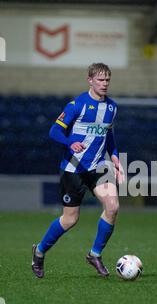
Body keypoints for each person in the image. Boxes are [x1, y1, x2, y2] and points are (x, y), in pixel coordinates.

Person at [32, 62, 124, 279]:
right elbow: (54, 130)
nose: (104, 84)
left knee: (112, 206)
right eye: (100, 80)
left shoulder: (111, 107)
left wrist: (115, 157)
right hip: (73, 169)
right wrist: (69, 143)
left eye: (107, 80)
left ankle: (95, 254)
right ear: (90, 80)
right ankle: (39, 251)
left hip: (98, 167)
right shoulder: (77, 105)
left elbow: (108, 136)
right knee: (70, 219)